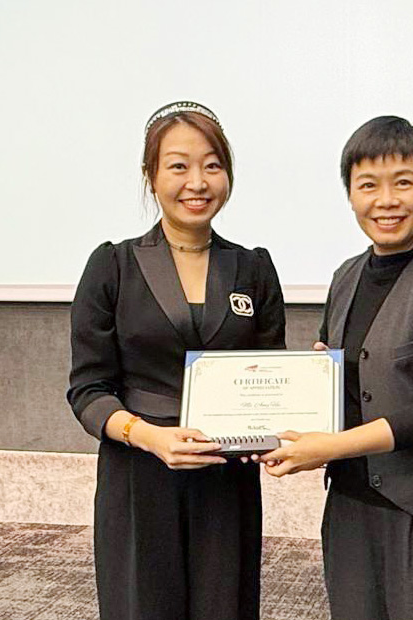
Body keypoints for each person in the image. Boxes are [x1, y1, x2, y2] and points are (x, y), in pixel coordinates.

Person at [262, 116, 413, 620]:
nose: (386, 201)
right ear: (350, 194)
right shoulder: (345, 276)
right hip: (351, 510)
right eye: (368, 185)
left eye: (403, 183)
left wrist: (327, 448)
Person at [67, 101, 286, 620]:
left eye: (212, 165)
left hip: (226, 475)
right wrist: (149, 436)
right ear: (151, 176)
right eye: (179, 166)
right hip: (138, 473)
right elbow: (87, 389)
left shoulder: (253, 267)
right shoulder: (113, 265)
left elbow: (271, 374)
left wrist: (307, 389)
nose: (198, 182)